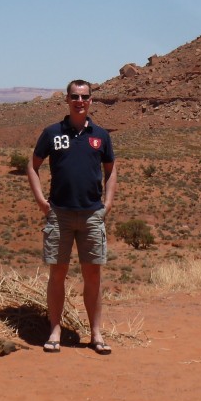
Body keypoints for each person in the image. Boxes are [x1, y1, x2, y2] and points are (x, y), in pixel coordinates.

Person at [27, 79, 117, 354]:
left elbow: (111, 169)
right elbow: (33, 165)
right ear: (67, 100)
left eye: (85, 96)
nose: (80, 101)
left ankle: (96, 334)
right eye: (75, 96)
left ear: (91, 101)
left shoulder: (101, 135)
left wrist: (108, 203)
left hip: (91, 214)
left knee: (93, 275)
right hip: (60, 214)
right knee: (58, 273)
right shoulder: (53, 133)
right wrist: (42, 201)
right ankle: (55, 330)